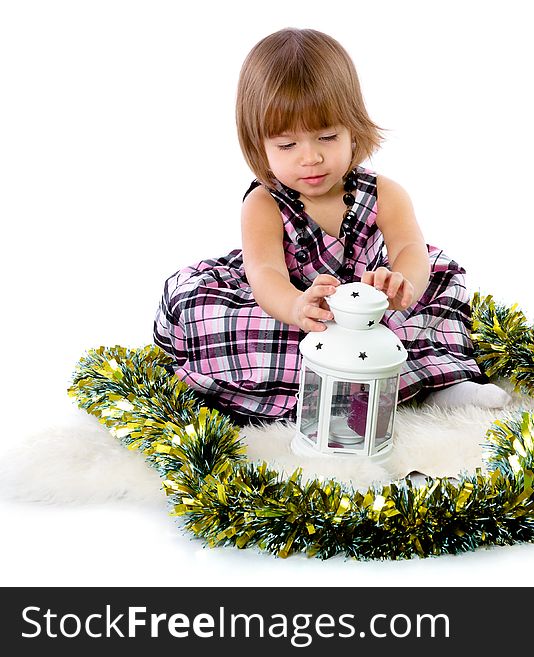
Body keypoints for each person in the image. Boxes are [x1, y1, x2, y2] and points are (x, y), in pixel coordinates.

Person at [153, 27, 511, 424]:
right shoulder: (263, 204)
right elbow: (265, 272)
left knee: (441, 278)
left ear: (353, 129)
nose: (310, 158)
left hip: (376, 313)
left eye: (326, 137)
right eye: (287, 145)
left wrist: (399, 284)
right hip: (300, 312)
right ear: (259, 146)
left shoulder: (385, 193)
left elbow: (410, 249)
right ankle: (309, 393)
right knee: (210, 309)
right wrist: (294, 306)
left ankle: (436, 382)